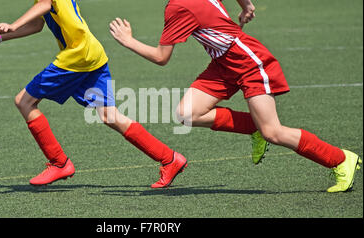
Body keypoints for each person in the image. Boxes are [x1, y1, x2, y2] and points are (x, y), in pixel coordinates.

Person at [109, 0, 362, 192]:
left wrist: (128, 41)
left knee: (273, 132)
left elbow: (161, 57)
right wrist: (247, 4)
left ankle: (340, 159)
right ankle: (254, 127)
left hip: (249, 62)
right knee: (187, 113)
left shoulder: (178, 7)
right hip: (223, 64)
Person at [0, 0, 188, 188]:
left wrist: (12, 24)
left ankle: (59, 163)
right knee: (110, 116)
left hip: (77, 56)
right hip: (91, 52)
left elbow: (46, 4)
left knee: (24, 101)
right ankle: (170, 159)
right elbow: (38, 24)